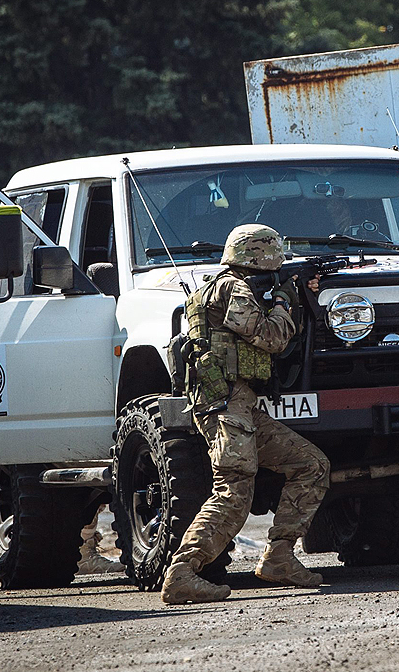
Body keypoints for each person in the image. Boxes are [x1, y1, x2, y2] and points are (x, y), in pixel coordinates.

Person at [160, 224, 330, 604]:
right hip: (226, 406)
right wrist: (286, 300)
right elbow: (270, 337)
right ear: (262, 257)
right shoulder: (231, 287)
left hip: (241, 405)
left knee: (311, 464)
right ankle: (182, 573)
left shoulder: (230, 286)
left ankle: (280, 557)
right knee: (234, 489)